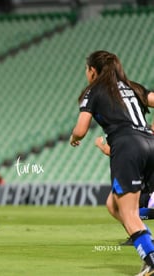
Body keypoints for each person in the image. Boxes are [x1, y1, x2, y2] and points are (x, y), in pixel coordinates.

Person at [70, 50, 154, 275]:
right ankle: (148, 244)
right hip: (150, 144)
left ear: (93, 71)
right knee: (113, 204)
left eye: (87, 70)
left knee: (129, 213)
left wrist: (74, 138)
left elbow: (81, 129)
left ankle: (152, 259)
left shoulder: (94, 90)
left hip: (128, 147)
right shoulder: (132, 87)